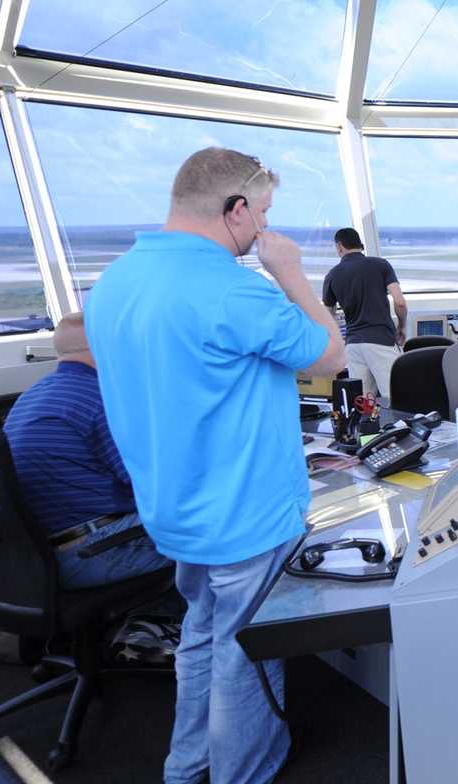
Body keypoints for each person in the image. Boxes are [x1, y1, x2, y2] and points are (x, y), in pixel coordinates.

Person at [86, 147, 346, 784]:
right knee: (243, 655)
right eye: (261, 214)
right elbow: (331, 355)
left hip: (176, 512)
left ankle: (187, 764)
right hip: (245, 516)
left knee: (200, 636)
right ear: (234, 210)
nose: (263, 229)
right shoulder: (233, 288)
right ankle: (243, 773)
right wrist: (291, 274)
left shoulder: (114, 282)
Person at [4, 313, 172, 589]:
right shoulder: (102, 400)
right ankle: (158, 626)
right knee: (240, 526)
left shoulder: (31, 396)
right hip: (96, 550)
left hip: (42, 557)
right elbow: (158, 485)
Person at [321, 227, 407, 405]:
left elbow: (329, 318)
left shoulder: (332, 275)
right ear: (360, 245)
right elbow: (399, 302)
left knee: (363, 405)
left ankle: (367, 434)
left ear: (339, 247)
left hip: (353, 346)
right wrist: (402, 326)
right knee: (397, 401)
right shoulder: (380, 265)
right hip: (381, 341)